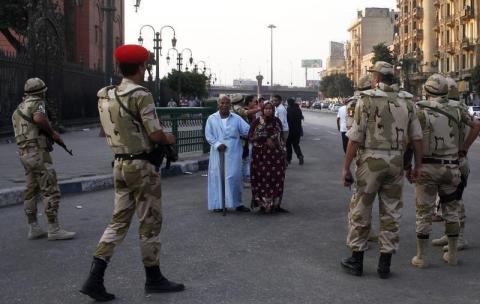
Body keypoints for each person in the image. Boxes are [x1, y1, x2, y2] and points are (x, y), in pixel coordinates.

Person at [80, 45, 184, 302]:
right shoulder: (141, 95)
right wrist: (168, 137)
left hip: (119, 164)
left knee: (118, 221)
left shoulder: (105, 95)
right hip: (142, 167)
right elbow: (155, 134)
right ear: (141, 67)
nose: (146, 69)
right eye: (146, 65)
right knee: (150, 222)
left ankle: (94, 279)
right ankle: (154, 277)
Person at [341, 61, 423, 279]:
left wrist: (345, 167)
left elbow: (355, 138)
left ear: (376, 78)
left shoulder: (366, 98)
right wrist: (417, 165)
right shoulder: (407, 101)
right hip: (395, 161)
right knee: (391, 211)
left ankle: (356, 261)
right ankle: (384, 264)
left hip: (370, 160)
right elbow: (416, 138)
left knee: (361, 208)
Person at [410, 74, 480, 268]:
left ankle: (421, 257)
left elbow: (412, 138)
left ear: (427, 90)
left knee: (423, 212)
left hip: (427, 168)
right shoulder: (458, 108)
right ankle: (453, 254)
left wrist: (412, 164)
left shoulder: (419, 109)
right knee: (452, 211)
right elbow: (476, 125)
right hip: (451, 167)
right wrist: (463, 148)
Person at [11, 77, 76, 241]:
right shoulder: (37, 102)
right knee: (50, 188)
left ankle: (33, 227)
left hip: (24, 154)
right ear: (41, 92)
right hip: (37, 153)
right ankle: (54, 229)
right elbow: (39, 118)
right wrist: (52, 133)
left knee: (31, 190)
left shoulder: (18, 108)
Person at [431, 77, 469, 251]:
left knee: (456, 201)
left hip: (457, 162)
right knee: (447, 202)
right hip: (453, 161)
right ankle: (450, 234)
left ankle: (459, 238)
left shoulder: (457, 110)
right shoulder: (455, 109)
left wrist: (464, 149)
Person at [205, 95, 251, 213]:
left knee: (235, 176)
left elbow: (248, 130)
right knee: (217, 177)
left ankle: (238, 203)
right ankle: (218, 204)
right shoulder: (211, 118)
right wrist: (217, 144)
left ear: (230, 105)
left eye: (227, 103)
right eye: (222, 103)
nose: (224, 105)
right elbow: (208, 135)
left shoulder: (236, 118)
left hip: (234, 151)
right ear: (218, 104)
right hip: (218, 152)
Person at [249, 101, 287, 213]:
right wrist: (265, 140)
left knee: (276, 179)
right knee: (261, 179)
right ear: (262, 110)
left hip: (276, 156)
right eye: (266, 108)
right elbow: (250, 137)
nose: (268, 110)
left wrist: (283, 150)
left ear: (273, 110)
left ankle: (275, 205)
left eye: (270, 108)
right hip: (261, 157)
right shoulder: (257, 122)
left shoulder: (277, 121)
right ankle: (263, 205)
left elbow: (281, 137)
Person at [286, 98, 304, 165]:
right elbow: (301, 118)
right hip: (297, 130)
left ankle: (288, 159)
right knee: (296, 145)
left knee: (288, 145)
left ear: (288, 103)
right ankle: (300, 156)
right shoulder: (298, 109)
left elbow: (287, 120)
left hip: (290, 130)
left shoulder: (288, 109)